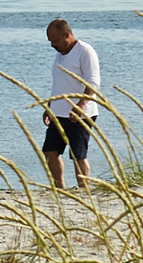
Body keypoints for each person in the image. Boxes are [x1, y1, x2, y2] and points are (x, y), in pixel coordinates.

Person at [38, 19, 104, 188]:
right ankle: (59, 188)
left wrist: (81, 106)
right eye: (50, 41)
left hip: (81, 114)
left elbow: (93, 83)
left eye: (55, 40)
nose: (52, 45)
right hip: (58, 113)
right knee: (50, 151)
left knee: (78, 155)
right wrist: (49, 105)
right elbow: (59, 83)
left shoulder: (85, 52)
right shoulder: (60, 53)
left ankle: (84, 189)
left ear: (66, 34)